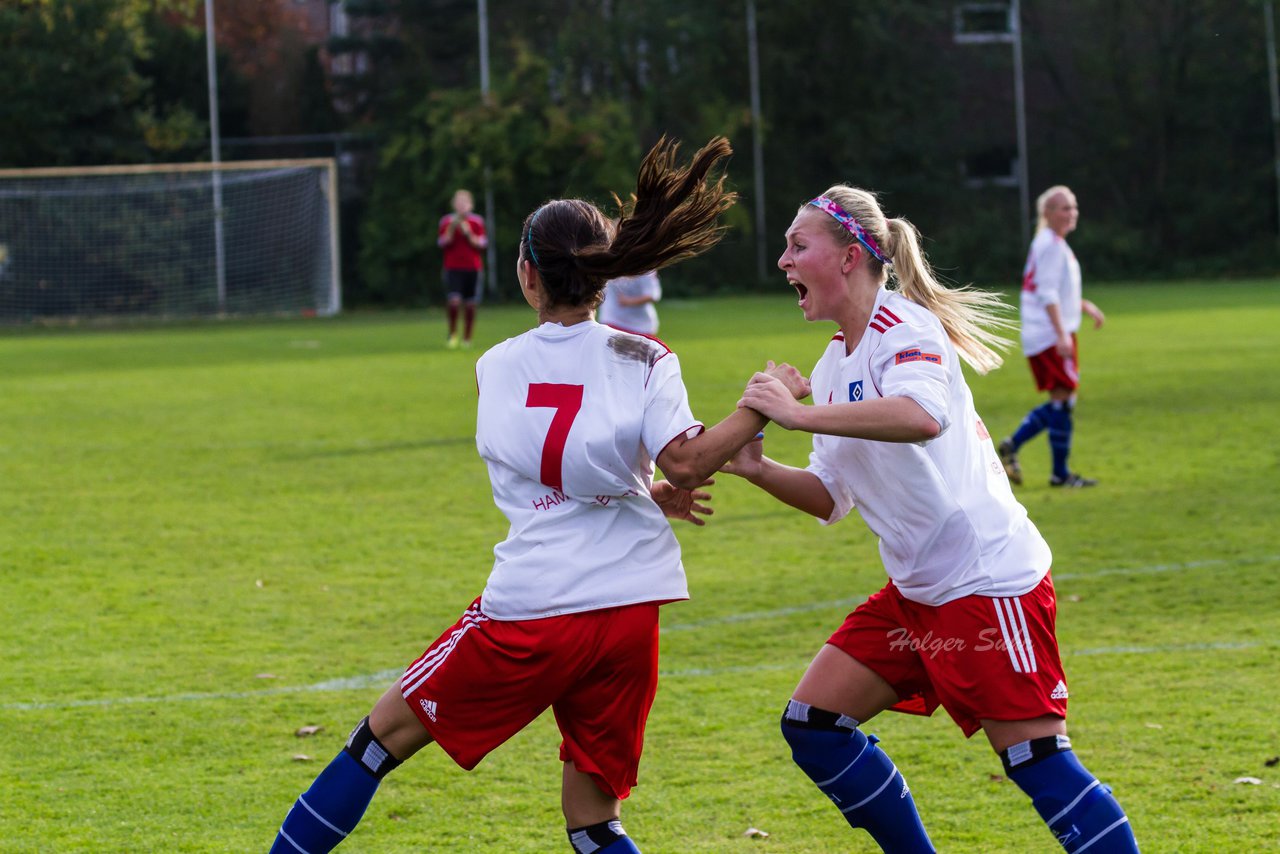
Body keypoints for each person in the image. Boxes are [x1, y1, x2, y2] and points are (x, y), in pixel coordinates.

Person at [269, 137, 771, 854]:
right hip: (630, 607)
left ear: (528, 277)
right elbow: (686, 463)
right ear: (605, 275)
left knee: (375, 745)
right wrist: (750, 413)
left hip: (535, 609)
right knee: (594, 822)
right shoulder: (646, 356)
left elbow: (554, 464)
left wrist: (639, 487)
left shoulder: (494, 367)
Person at [721, 186, 1139, 852]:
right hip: (918, 596)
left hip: (985, 583)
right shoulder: (834, 364)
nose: (782, 261)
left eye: (798, 246)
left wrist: (796, 414)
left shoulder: (905, 328)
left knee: (1037, 762)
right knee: (814, 724)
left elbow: (921, 416)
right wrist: (759, 469)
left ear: (852, 256)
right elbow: (831, 496)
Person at [997, 185, 1106, 488]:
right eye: (1063, 208)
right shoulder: (1051, 245)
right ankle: (1057, 472)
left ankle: (1017, 447)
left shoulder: (1050, 243)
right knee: (1062, 399)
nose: (1071, 213)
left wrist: (1084, 306)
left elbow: (1053, 289)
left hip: (1049, 331)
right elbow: (1046, 293)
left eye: (1073, 207)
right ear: (1046, 213)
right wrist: (1061, 335)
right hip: (1048, 333)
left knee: (1063, 399)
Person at [438, 188, 488, 349]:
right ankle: (452, 334)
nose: (461, 206)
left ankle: (467, 338)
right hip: (453, 268)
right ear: (454, 205)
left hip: (472, 268)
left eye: (464, 203)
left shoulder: (477, 222)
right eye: (458, 203)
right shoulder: (446, 221)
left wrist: (468, 234)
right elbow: (442, 243)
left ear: (470, 205)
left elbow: (482, 244)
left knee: (470, 304)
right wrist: (452, 229)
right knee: (454, 301)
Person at [598, 270, 662, 335]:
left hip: (639, 325)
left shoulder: (646, 269)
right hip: (612, 320)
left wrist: (629, 301)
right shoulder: (608, 265)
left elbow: (652, 295)